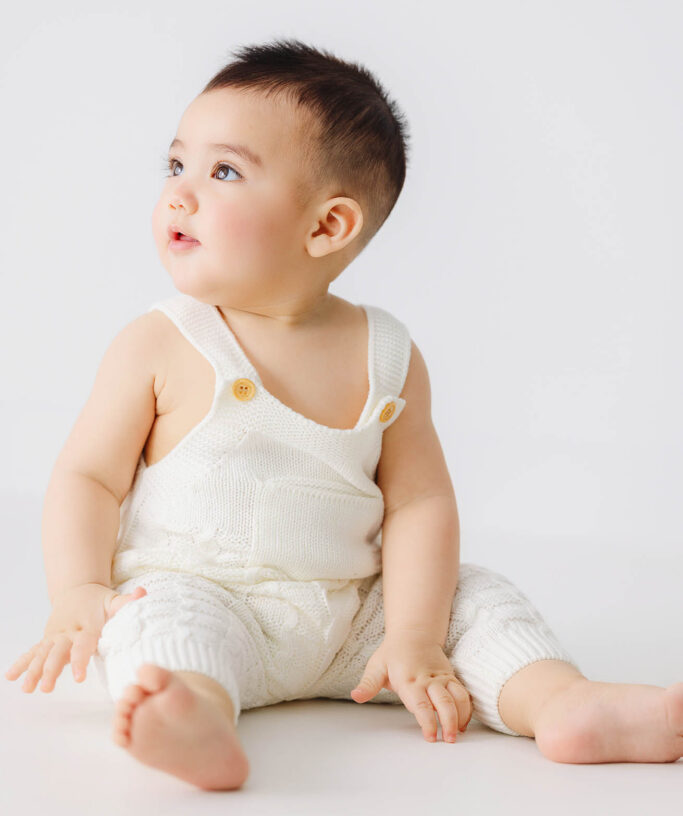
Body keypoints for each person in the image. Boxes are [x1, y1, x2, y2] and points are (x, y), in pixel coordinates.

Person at [6, 39, 682, 791]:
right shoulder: (162, 342)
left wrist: (414, 636)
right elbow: (87, 478)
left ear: (326, 227)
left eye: (222, 171)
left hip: (357, 618)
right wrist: (77, 593)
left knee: (476, 599)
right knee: (154, 618)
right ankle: (192, 713)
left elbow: (419, 502)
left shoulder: (386, 352)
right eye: (175, 165)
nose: (179, 193)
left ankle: (561, 702)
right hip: (209, 595)